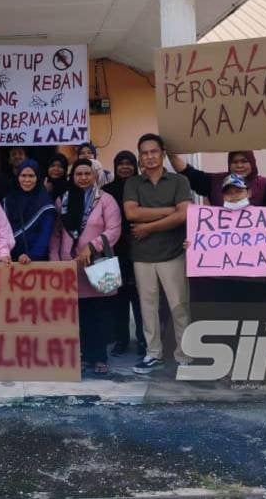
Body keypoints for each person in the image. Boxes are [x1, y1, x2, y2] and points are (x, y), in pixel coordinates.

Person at [172, 148, 266, 354]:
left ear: (249, 192)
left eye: (244, 161)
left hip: (258, 277)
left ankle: (258, 357)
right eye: (235, 162)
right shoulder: (215, 181)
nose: (239, 165)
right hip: (225, 276)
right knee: (228, 315)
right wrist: (195, 244)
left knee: (257, 316)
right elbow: (188, 172)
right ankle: (229, 357)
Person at [123, 134, 194, 376]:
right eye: (144, 153)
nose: (149, 156)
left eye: (154, 151)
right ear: (140, 156)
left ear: (162, 153)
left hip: (173, 254)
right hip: (142, 256)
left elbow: (184, 214)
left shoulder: (179, 181)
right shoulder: (133, 183)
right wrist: (168, 212)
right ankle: (153, 354)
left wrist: (148, 227)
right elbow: (131, 213)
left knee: (179, 306)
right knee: (147, 308)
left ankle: (184, 355)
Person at [49, 159, 122, 374]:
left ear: (94, 176)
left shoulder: (106, 200)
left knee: (98, 314)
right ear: (72, 176)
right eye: (78, 174)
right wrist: (55, 260)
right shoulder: (64, 200)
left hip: (97, 263)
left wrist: (92, 246)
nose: (82, 178)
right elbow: (55, 233)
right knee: (75, 315)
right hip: (69, 266)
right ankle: (79, 355)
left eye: (87, 173)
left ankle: (98, 356)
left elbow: (114, 230)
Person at [102, 151, 146, 357]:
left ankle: (143, 340)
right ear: (115, 166)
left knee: (140, 298)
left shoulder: (142, 186)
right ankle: (120, 339)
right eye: (121, 164)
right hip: (113, 252)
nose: (125, 167)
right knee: (116, 299)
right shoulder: (106, 191)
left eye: (130, 163)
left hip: (141, 249)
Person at [2, 159, 56, 264]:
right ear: (18, 177)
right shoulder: (8, 201)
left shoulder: (45, 204)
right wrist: (6, 253)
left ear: (38, 178)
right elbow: (2, 230)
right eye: (23, 175)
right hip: (9, 259)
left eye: (31, 176)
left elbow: (44, 235)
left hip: (35, 262)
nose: (27, 180)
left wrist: (31, 256)